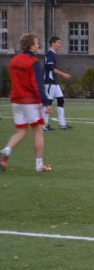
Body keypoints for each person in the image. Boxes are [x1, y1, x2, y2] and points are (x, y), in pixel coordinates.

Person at [0, 33, 52, 172]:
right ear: (31, 46)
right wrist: (46, 102)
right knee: (38, 130)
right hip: (30, 101)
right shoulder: (33, 62)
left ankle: (6, 151)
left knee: (21, 131)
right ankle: (39, 164)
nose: (38, 45)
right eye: (36, 43)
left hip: (16, 100)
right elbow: (38, 85)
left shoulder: (14, 61)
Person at [43, 36, 72, 130]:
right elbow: (50, 67)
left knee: (60, 100)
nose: (60, 44)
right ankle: (44, 125)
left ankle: (62, 124)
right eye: (58, 42)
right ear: (52, 43)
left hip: (54, 82)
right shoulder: (49, 53)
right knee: (48, 102)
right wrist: (63, 74)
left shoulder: (52, 53)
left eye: (60, 42)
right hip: (49, 81)